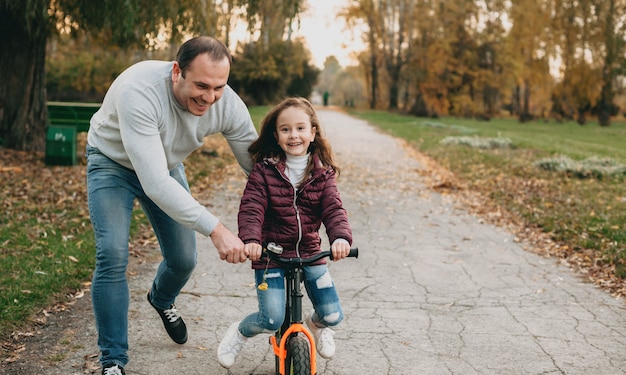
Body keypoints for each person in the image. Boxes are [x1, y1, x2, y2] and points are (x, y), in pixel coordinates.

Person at [85, 36, 258, 375]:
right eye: (202, 86)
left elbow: (257, 165)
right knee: (113, 253)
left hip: (163, 164)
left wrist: (293, 200)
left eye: (219, 87)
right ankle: (113, 360)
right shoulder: (141, 91)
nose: (210, 98)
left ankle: (162, 299)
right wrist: (218, 230)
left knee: (183, 259)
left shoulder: (226, 103)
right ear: (177, 71)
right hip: (111, 163)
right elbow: (155, 185)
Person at [217, 97, 353, 369]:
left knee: (332, 314)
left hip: (311, 253)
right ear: (276, 136)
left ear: (313, 133)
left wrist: (340, 238)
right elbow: (252, 208)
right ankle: (240, 333)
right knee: (271, 319)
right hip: (271, 255)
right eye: (286, 129)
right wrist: (252, 240)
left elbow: (334, 210)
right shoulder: (264, 172)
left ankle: (317, 327)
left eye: (301, 128)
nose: (294, 135)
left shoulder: (322, 175)